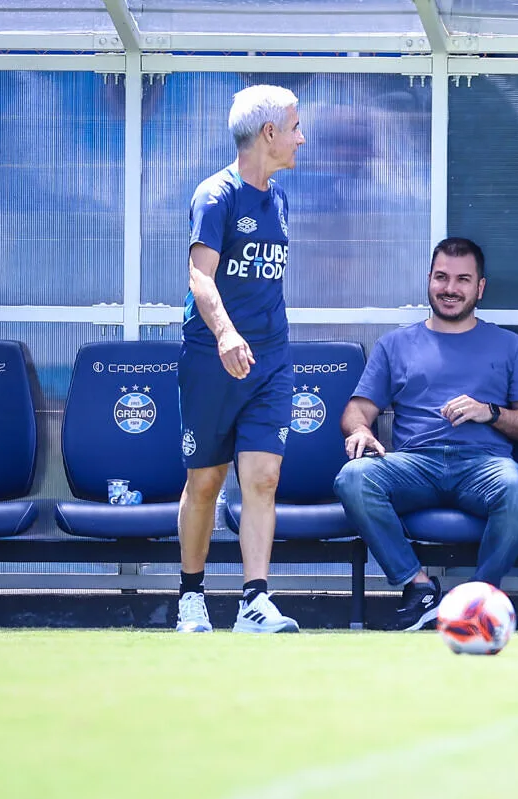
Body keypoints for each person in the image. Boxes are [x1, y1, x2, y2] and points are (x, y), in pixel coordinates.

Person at [333, 237, 518, 631]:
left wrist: (490, 413)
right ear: (429, 280)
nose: (450, 289)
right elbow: (356, 411)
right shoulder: (395, 344)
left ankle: (477, 600)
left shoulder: (509, 346)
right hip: (414, 464)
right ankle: (420, 590)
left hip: (484, 466)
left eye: (463, 279)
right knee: (353, 478)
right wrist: (360, 429)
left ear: (480, 287)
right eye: (442, 277)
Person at [175, 85, 305, 634]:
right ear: (269, 133)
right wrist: (226, 333)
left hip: (271, 360)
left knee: (264, 476)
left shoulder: (278, 198)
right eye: (295, 126)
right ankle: (191, 595)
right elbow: (199, 276)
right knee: (205, 482)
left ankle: (254, 599)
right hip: (213, 356)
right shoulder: (215, 194)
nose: (302, 137)